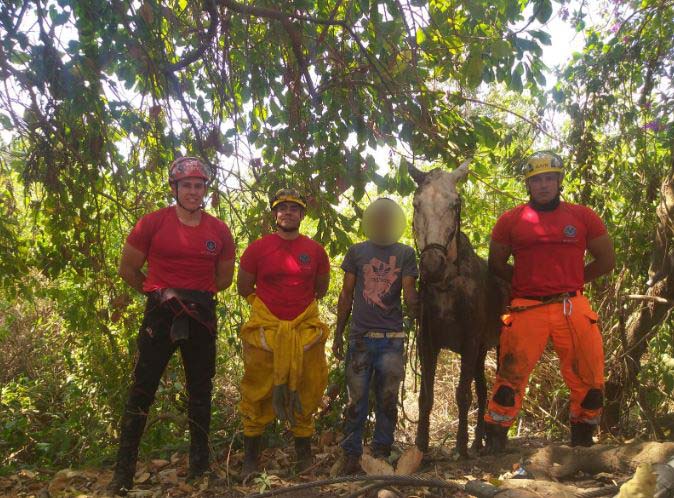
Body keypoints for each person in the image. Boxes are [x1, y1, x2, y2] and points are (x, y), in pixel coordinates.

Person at [107, 157, 236, 495]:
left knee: (200, 390)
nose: (193, 191)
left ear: (205, 189)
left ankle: (199, 466)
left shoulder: (219, 230)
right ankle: (123, 472)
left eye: (199, 185)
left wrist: (193, 296)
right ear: (174, 188)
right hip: (160, 313)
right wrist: (158, 294)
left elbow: (223, 279)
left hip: (201, 314)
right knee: (142, 388)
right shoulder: (152, 223)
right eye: (187, 185)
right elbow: (128, 269)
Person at [484, 151, 615, 453]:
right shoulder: (511, 220)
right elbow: (496, 264)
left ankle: (582, 439)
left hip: (572, 305)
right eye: (536, 180)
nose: (543, 185)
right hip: (527, 307)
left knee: (589, 376)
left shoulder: (582, 217)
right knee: (510, 376)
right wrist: (527, 282)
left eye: (549, 178)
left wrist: (572, 280)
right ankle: (495, 440)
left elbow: (606, 260)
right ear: (528, 185)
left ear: (559, 181)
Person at [237, 188, 331, 476]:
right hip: (265, 332)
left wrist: (294, 320)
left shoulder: (315, 251)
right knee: (257, 390)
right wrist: (269, 316)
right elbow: (244, 288)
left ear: (302, 214)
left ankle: (303, 458)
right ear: (274, 214)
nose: (287, 212)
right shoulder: (258, 248)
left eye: (294, 208)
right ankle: (251, 460)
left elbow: (321, 289)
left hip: (304, 331)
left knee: (307, 385)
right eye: (282, 207)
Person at [333, 198, 419, 474]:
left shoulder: (405, 254)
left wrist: (418, 314)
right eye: (378, 218)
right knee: (355, 398)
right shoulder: (357, 252)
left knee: (387, 398)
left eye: (387, 218)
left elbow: (409, 294)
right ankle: (351, 453)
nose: (382, 222)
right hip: (361, 337)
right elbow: (346, 294)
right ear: (371, 221)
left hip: (391, 339)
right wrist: (338, 333)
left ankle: (381, 451)